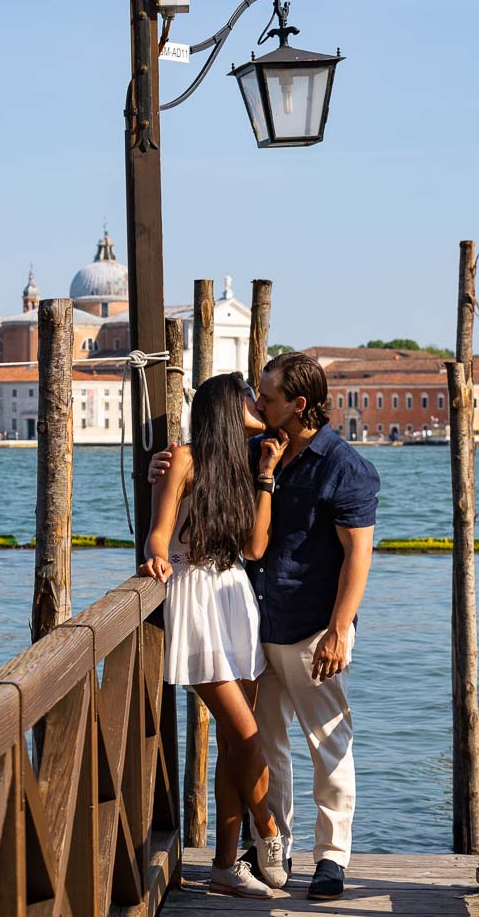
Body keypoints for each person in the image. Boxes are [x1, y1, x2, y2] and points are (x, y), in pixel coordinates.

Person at [149, 351, 379, 900]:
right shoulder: (252, 450)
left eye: (268, 397)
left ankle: (330, 859)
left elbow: (358, 557)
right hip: (253, 617)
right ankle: (269, 845)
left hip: (308, 628)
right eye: (254, 397)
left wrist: (340, 628)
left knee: (328, 743)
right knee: (261, 741)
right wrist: (164, 471)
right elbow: (187, 489)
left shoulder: (344, 467)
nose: (260, 403)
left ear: (297, 405)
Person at [139, 372, 290, 899]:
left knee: (233, 741)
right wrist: (156, 554)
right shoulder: (180, 458)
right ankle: (269, 831)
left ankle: (227, 864)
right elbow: (160, 529)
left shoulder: (244, 463)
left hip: (234, 597)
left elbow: (253, 548)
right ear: (227, 406)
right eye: (248, 396)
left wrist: (267, 475)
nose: (256, 403)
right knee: (247, 734)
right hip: (197, 600)